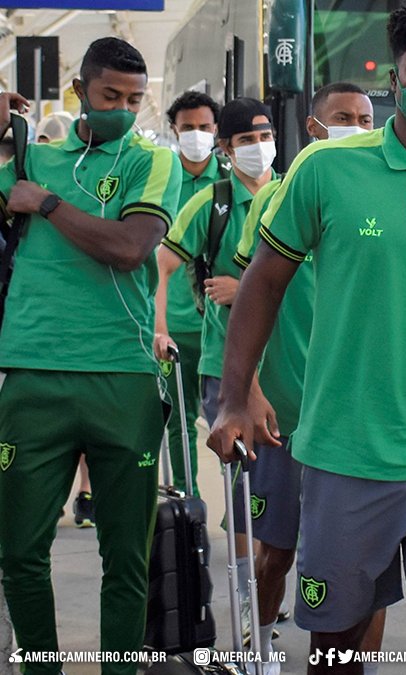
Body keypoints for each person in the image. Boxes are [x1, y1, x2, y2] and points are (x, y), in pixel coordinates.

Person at [208, 1, 406, 673]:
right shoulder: (325, 172)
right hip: (343, 453)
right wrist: (236, 397)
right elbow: (262, 283)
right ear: (394, 78)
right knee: (336, 651)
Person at [0, 37, 182, 675]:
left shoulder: (152, 162)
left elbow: (132, 247)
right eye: (111, 97)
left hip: (123, 376)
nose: (124, 110)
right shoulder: (33, 157)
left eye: (135, 99)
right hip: (32, 375)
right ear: (79, 90)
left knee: (125, 560)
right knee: (18, 551)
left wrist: (45, 204)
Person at [230, 81, 385, 674]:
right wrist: (250, 390)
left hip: (359, 420)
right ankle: (259, 645)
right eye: (342, 117)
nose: (357, 125)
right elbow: (245, 299)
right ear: (315, 130)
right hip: (288, 413)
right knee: (278, 553)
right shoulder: (282, 198)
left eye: (366, 116)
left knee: (368, 566)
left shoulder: (387, 200)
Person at [154, 96, 278, 633]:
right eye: (245, 140)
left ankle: (270, 590)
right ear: (226, 150)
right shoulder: (213, 202)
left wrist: (243, 285)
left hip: (295, 363)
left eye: (264, 135)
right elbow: (161, 265)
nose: (258, 148)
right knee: (246, 484)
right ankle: (250, 610)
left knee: (290, 487)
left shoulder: (295, 194)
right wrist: (158, 328)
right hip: (227, 365)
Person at [29, 111, 98, 528]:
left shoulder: (79, 188)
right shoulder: (29, 178)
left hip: (82, 326)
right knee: (58, 427)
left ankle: (82, 494)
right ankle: (64, 493)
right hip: (43, 329)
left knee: (80, 428)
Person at [161, 90, 226, 497]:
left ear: (217, 130)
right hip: (176, 328)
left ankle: (240, 503)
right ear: (174, 130)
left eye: (204, 127)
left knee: (230, 418)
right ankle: (190, 499)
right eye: (188, 128)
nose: (197, 135)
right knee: (178, 421)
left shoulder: (230, 183)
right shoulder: (160, 179)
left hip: (222, 328)